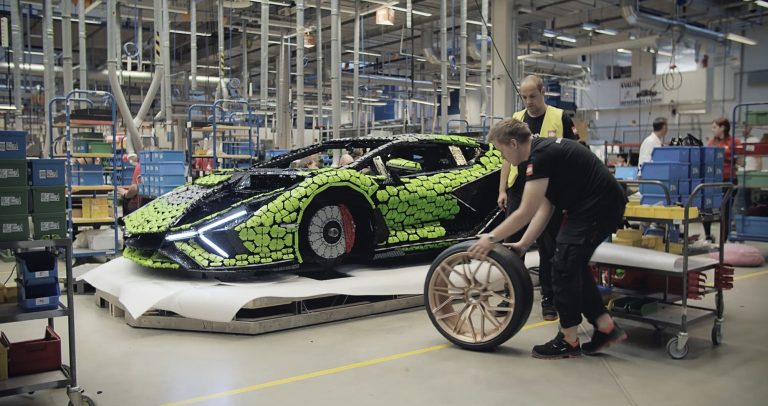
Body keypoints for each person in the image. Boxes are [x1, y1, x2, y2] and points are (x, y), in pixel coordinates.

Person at [471, 118, 628, 359]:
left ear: (513, 143)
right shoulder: (541, 153)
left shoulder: (540, 157)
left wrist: (490, 238)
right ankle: (606, 328)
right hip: (593, 207)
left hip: (598, 207)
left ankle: (568, 339)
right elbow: (546, 206)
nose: (504, 158)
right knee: (573, 265)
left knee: (563, 266)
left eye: (502, 151)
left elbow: (525, 211)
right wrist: (523, 244)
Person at [497, 75, 577, 321]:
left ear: (543, 92)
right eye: (524, 97)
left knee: (548, 248)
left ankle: (549, 299)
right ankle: (510, 295)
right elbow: (505, 159)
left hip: (549, 191)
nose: (528, 101)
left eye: (532, 96)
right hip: (518, 190)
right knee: (512, 245)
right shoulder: (516, 119)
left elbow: (572, 154)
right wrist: (502, 190)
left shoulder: (560, 117)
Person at [703, 117, 742, 242]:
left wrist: (734, 159)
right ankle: (708, 236)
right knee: (707, 208)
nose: (712, 129)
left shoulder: (734, 142)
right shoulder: (711, 143)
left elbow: (741, 162)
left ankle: (723, 241)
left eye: (714, 127)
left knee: (725, 211)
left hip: (728, 181)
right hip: (713, 181)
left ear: (723, 128)